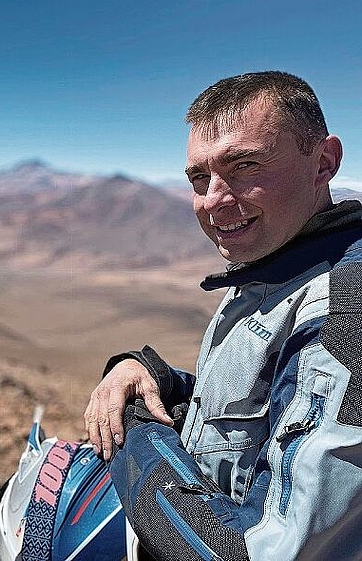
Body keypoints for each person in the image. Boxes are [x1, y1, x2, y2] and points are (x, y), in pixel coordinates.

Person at [83, 71, 362, 560]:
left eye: (246, 166)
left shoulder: (343, 312)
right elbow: (259, 414)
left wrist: (137, 434)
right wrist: (153, 378)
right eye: (198, 178)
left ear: (323, 163)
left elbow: (263, 550)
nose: (213, 200)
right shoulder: (278, 269)